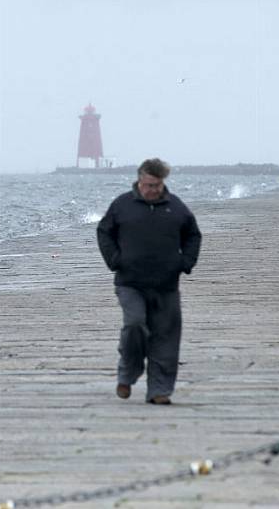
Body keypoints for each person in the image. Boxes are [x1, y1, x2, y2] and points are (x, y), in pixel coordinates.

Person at [96, 158, 202, 405]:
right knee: (134, 325)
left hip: (166, 284)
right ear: (139, 180)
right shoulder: (122, 205)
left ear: (163, 182)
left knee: (165, 337)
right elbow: (104, 232)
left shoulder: (176, 207)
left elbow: (193, 235)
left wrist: (185, 262)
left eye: (157, 185)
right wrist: (114, 259)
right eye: (148, 185)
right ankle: (127, 373)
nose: (152, 190)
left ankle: (159, 390)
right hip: (130, 281)